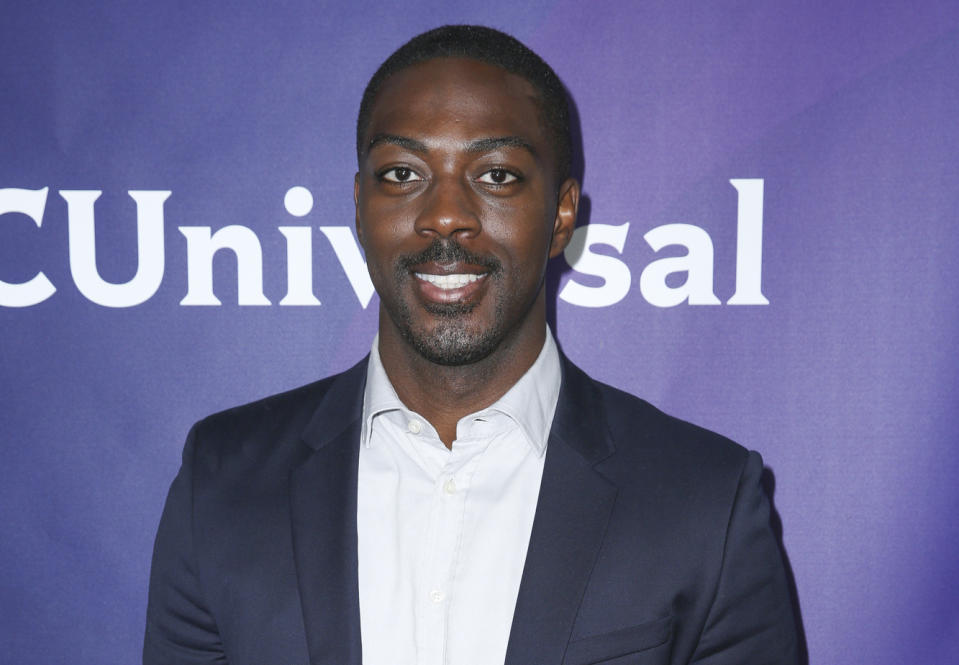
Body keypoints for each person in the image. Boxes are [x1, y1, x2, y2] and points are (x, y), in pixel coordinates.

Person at [144, 25, 799, 665]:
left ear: (562, 214)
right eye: (401, 172)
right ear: (358, 207)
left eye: (496, 175)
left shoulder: (704, 500)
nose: (445, 214)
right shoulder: (224, 480)